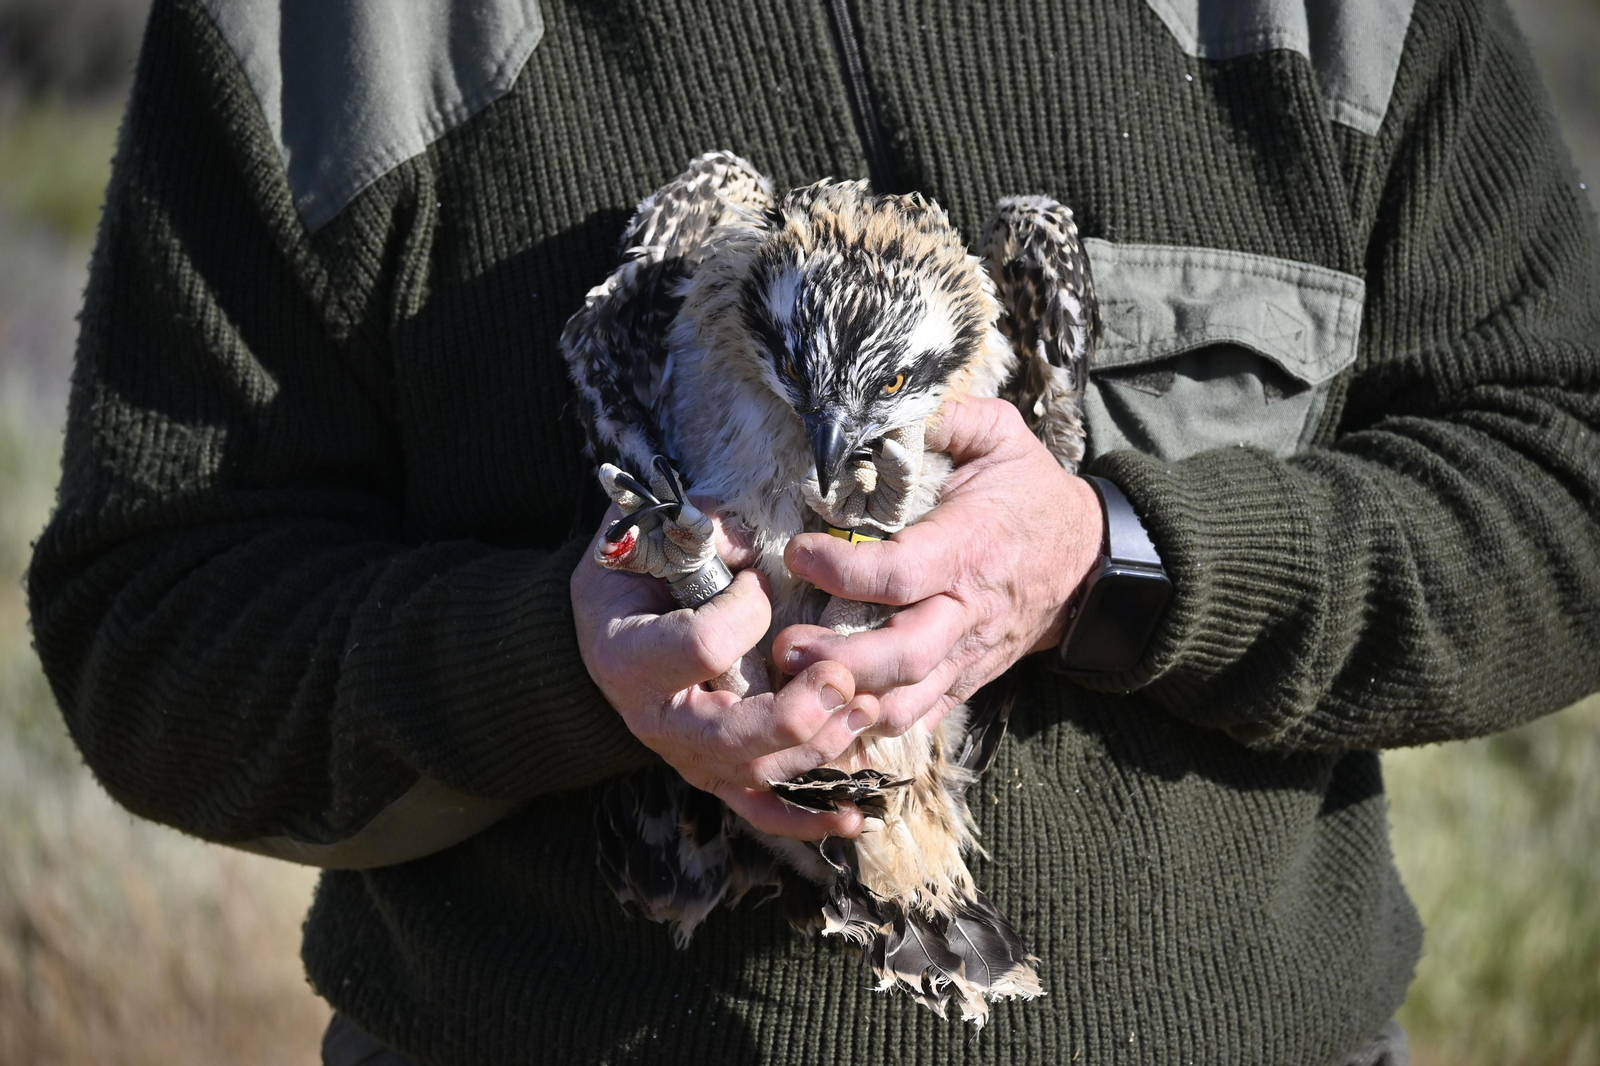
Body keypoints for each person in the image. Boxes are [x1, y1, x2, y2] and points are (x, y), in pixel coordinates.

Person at [26, 0, 1600, 1063]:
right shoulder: (330, 34)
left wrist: (1115, 565)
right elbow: (155, 624)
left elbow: (1563, 476)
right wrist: (557, 664)